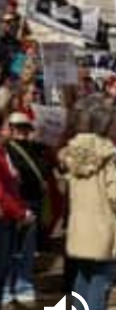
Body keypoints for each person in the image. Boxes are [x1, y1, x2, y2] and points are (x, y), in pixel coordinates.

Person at [58, 97, 116, 310]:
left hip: (81, 227)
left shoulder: (73, 151)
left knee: (83, 279)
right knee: (100, 283)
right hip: (106, 228)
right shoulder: (111, 155)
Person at [5, 112, 48, 304]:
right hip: (15, 203)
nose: (22, 131)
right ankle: (10, 285)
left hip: (32, 202)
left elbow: (46, 169)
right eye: (18, 127)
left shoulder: (37, 148)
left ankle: (23, 284)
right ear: (11, 128)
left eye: (25, 127)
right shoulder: (6, 149)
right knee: (10, 248)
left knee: (26, 248)